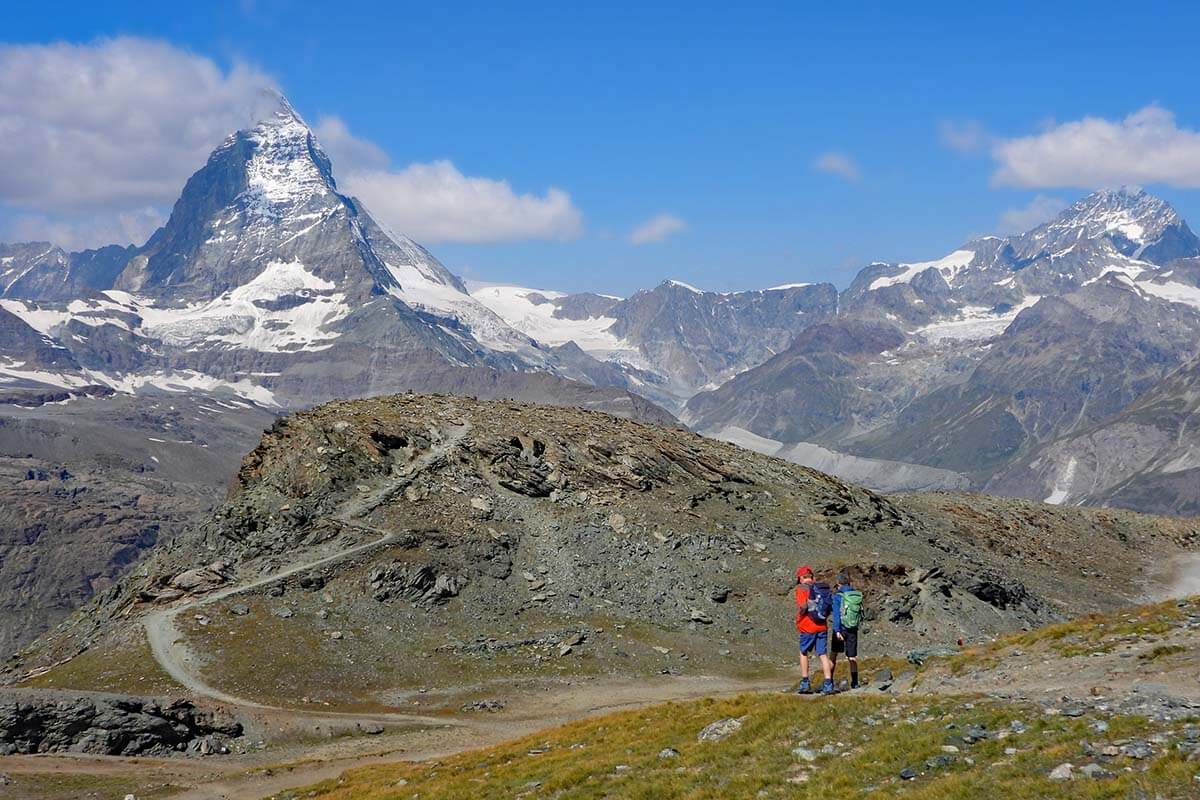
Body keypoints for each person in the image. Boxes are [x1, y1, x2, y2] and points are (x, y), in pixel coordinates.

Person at [794, 565, 835, 695]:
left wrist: (800, 615)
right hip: (822, 625)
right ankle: (828, 683)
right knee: (822, 654)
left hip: (807, 626)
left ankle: (805, 682)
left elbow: (803, 606)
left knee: (803, 652)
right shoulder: (820, 588)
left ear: (800, 578)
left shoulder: (802, 588)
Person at [830, 573, 864, 689]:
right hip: (853, 628)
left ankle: (828, 681)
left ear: (839, 584)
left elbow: (836, 615)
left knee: (833, 654)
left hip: (841, 629)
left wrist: (837, 630)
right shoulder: (855, 595)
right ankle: (855, 682)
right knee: (852, 657)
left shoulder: (838, 596)